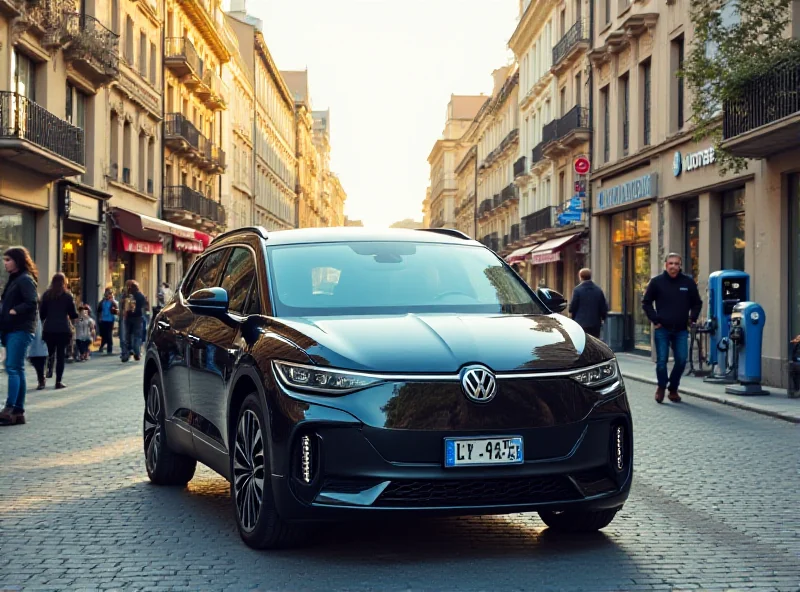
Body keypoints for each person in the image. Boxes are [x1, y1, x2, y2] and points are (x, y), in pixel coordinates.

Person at [642, 252, 703, 404]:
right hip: (662, 328)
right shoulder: (657, 282)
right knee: (661, 361)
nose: (674, 267)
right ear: (666, 265)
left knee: (681, 360)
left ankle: (673, 388)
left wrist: (692, 318)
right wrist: (655, 320)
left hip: (681, 329)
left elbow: (697, 303)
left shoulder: (688, 282)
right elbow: (646, 302)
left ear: (680, 265)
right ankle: (662, 386)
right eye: (671, 264)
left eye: (677, 264)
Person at [0, 247, 39, 426]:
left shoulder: (25, 279)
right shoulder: (15, 279)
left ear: (17, 260)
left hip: (20, 329)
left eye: (8, 259)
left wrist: (15, 310)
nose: (5, 263)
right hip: (12, 329)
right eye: (4, 259)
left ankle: (9, 409)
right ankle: (18, 410)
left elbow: (32, 302)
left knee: (13, 368)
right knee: (17, 368)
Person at [41, 272, 79, 389]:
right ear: (64, 282)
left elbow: (42, 313)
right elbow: (73, 314)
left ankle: (48, 369)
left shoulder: (47, 295)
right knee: (61, 356)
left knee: (49, 353)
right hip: (63, 329)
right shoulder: (68, 296)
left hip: (49, 328)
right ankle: (58, 381)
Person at [569, 268, 608, 339]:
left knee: (583, 342)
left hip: (580, 323)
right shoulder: (598, 290)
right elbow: (603, 307)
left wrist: (573, 318)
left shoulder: (577, 290)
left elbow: (572, 307)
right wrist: (603, 318)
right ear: (590, 276)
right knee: (594, 343)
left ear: (580, 277)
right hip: (595, 323)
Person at [122, 279, 146, 362]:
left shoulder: (127, 295)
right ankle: (137, 353)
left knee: (127, 336)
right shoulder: (140, 295)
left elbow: (122, 305)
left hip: (128, 317)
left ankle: (127, 353)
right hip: (138, 317)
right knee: (137, 336)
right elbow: (144, 306)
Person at [28, 307, 49, 390]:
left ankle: (41, 379)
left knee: (39, 358)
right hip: (32, 339)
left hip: (41, 338)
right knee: (35, 358)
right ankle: (41, 378)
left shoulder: (42, 312)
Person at [96, 287, 118, 355]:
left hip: (110, 320)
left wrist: (112, 301)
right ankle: (101, 346)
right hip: (103, 320)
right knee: (103, 334)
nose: (108, 294)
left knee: (109, 334)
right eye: (107, 293)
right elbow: (98, 309)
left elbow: (117, 309)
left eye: (110, 293)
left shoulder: (113, 302)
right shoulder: (102, 301)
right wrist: (99, 318)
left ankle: (109, 349)